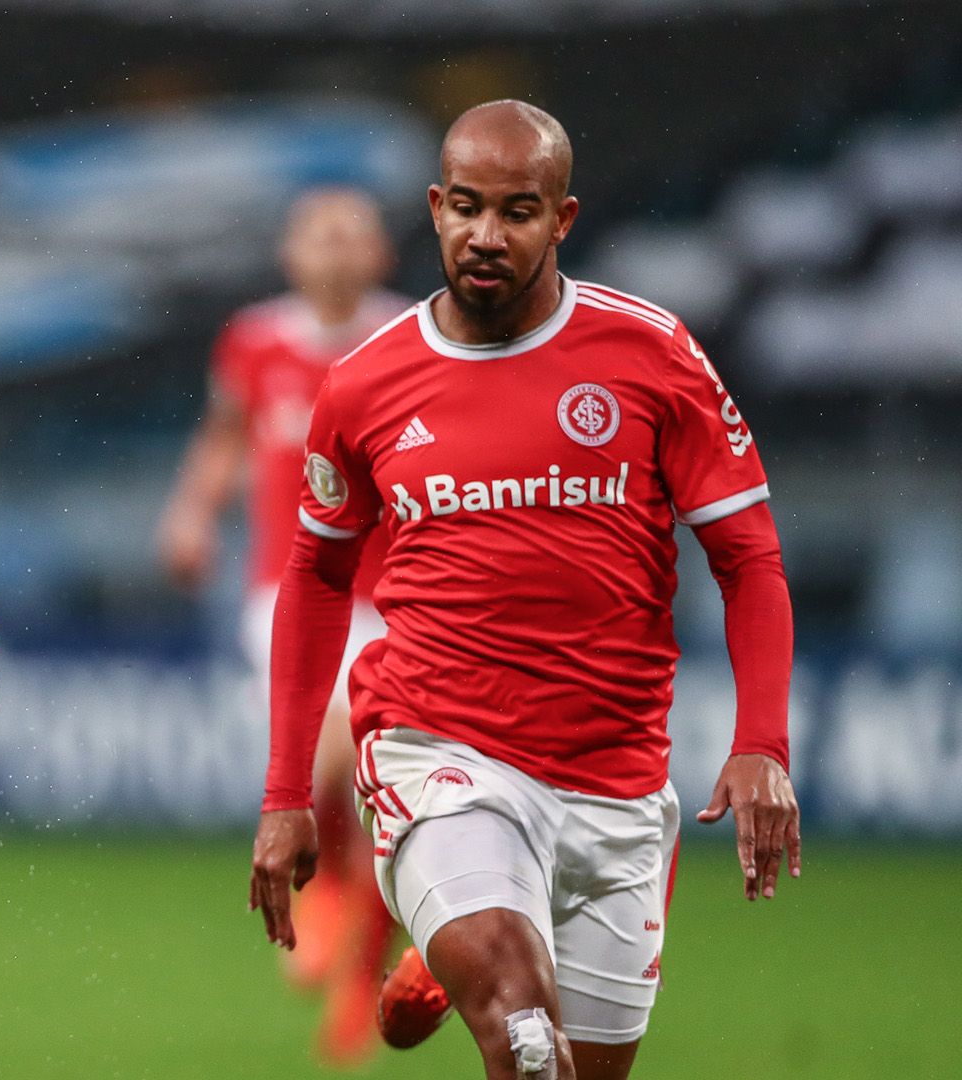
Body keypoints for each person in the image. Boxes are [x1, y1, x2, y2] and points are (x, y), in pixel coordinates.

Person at [247, 100, 800, 1080]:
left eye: (516, 211)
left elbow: (748, 555)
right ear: (433, 208)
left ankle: (447, 954)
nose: (485, 234)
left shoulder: (653, 356)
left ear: (564, 219)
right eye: (465, 207)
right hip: (439, 745)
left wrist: (761, 743)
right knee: (523, 1032)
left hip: (618, 779)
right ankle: (477, 937)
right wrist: (288, 789)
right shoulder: (367, 382)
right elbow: (318, 574)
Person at [156, 187, 407, 1064]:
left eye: (352, 237)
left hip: (398, 593)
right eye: (318, 236)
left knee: (373, 782)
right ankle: (335, 889)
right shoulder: (256, 340)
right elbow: (224, 434)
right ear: (290, 254)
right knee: (331, 762)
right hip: (289, 590)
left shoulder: (408, 340)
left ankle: (361, 972)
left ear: (380, 255)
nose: (334, 252)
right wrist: (192, 513)